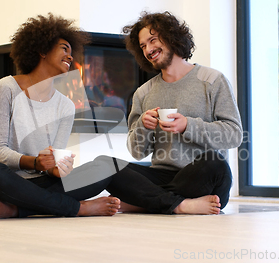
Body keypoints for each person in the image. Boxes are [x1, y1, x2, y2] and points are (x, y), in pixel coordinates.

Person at [0, 13, 121, 219]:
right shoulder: (5, 88)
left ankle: (18, 210)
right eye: (64, 49)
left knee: (104, 167)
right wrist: (35, 162)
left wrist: (58, 168)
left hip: (37, 182)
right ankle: (78, 208)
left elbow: (53, 165)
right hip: (0, 184)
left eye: (71, 52)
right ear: (42, 49)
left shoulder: (66, 106)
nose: (70, 57)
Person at [104, 11, 243, 214]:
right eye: (143, 46)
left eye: (152, 40)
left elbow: (234, 135)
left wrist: (188, 125)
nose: (148, 50)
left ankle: (143, 201)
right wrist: (143, 126)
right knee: (106, 166)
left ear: (171, 36)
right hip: (161, 174)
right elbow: (136, 152)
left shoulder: (212, 80)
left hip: (202, 175)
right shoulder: (143, 93)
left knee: (216, 162)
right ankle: (180, 205)